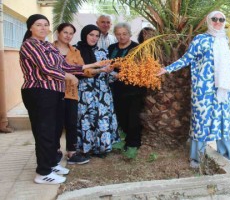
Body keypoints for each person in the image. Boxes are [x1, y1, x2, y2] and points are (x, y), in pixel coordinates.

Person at [19, 14, 104, 184]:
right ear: (30, 28)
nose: (43, 28)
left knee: (53, 130)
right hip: (39, 92)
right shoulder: (30, 45)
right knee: (44, 132)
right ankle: (43, 173)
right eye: (38, 25)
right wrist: (68, 77)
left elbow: (64, 65)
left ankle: (51, 163)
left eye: (45, 24)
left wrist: (93, 65)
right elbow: (47, 68)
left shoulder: (46, 45)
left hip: (54, 92)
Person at [157, 11, 230, 168]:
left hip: (223, 89)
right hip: (204, 89)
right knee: (201, 121)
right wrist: (168, 69)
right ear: (208, 21)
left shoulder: (225, 40)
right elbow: (187, 58)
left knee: (224, 120)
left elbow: (227, 66)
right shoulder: (200, 39)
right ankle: (196, 158)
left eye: (221, 19)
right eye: (214, 19)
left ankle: (225, 155)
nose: (218, 22)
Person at [76, 24, 119, 158]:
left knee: (102, 118)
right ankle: (87, 148)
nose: (94, 38)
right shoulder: (76, 51)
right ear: (84, 35)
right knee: (87, 119)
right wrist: (100, 70)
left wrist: (115, 74)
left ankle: (102, 148)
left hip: (102, 91)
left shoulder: (102, 52)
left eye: (97, 36)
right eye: (91, 35)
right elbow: (78, 70)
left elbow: (107, 72)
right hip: (85, 92)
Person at [53, 23, 91, 165]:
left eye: (71, 33)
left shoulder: (75, 51)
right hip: (53, 91)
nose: (68, 36)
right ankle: (55, 151)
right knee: (55, 123)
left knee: (71, 122)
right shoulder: (49, 49)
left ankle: (71, 152)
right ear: (58, 33)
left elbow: (81, 69)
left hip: (71, 92)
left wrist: (99, 69)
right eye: (65, 32)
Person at [108, 23, 146, 159]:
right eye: (118, 34)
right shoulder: (111, 48)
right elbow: (108, 64)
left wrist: (125, 73)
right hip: (116, 88)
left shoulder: (137, 48)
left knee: (133, 118)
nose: (121, 36)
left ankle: (133, 144)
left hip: (134, 89)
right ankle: (123, 140)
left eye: (124, 33)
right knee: (120, 115)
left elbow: (141, 68)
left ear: (129, 34)